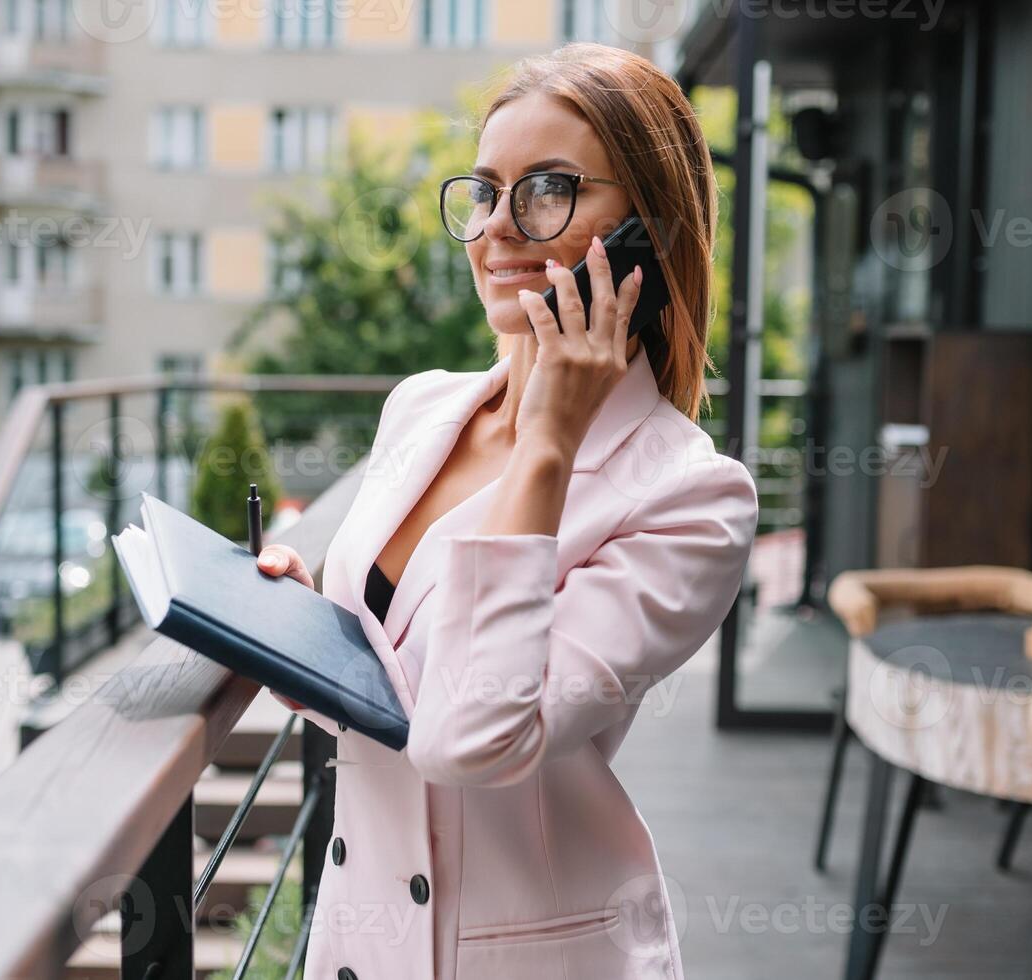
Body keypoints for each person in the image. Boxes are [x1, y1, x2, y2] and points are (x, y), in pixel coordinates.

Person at [259, 41, 759, 980]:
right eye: (487, 191)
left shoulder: (692, 499)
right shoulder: (423, 406)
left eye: (550, 190)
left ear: (644, 231)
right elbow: (406, 685)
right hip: (360, 943)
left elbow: (470, 737)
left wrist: (550, 445)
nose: (499, 228)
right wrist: (302, 644)